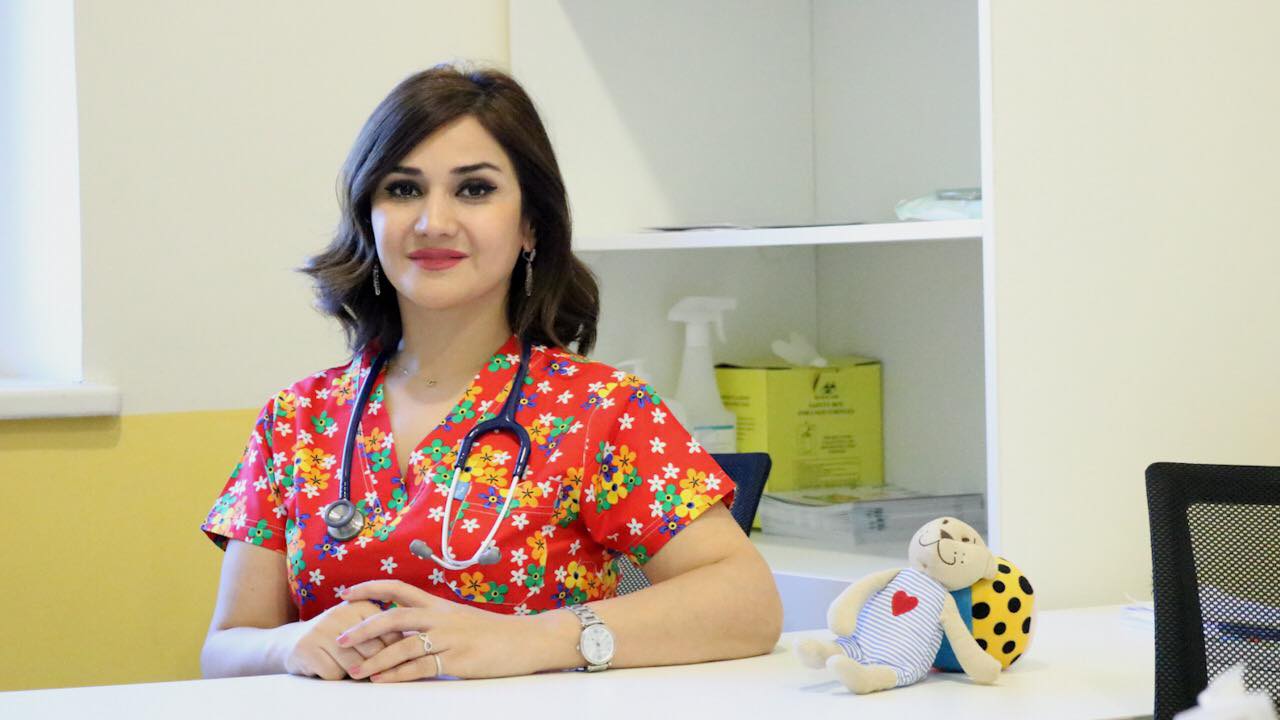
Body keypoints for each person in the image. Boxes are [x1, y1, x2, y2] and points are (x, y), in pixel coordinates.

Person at [199, 63, 783, 683]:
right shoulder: (296, 419)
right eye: (403, 189)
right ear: (369, 218)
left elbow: (748, 603)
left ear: (531, 223)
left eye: (474, 189)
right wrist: (287, 645)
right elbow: (225, 648)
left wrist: (530, 640)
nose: (433, 221)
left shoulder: (599, 409)